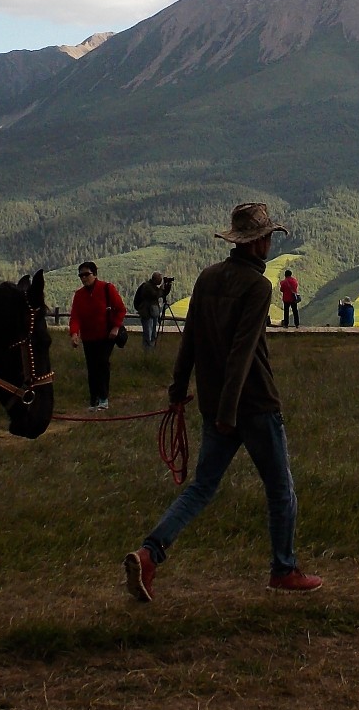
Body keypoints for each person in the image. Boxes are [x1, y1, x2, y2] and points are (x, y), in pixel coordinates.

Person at [123, 203, 322, 600]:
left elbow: (191, 340)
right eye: (266, 237)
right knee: (281, 489)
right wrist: (231, 413)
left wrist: (178, 391)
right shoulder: (258, 287)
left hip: (215, 406)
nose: (268, 242)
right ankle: (284, 570)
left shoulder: (208, 278)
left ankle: (149, 554)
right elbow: (243, 353)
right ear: (256, 244)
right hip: (254, 406)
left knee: (201, 488)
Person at [69, 262, 126, 410]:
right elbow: (75, 317)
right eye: (81, 275)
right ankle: (93, 400)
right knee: (92, 368)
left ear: (94, 274)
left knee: (102, 364)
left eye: (86, 274)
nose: (83, 278)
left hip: (106, 336)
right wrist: (74, 333)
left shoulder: (107, 289)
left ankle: (103, 398)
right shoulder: (79, 295)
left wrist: (115, 327)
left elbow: (120, 309)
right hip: (88, 338)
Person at [133, 272, 170, 350]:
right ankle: (147, 351)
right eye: (159, 280)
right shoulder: (147, 286)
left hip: (153, 312)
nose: (160, 281)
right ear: (155, 279)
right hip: (147, 313)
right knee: (148, 334)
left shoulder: (153, 286)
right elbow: (155, 295)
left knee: (153, 333)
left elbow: (162, 294)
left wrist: (167, 287)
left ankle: (151, 350)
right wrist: (162, 288)